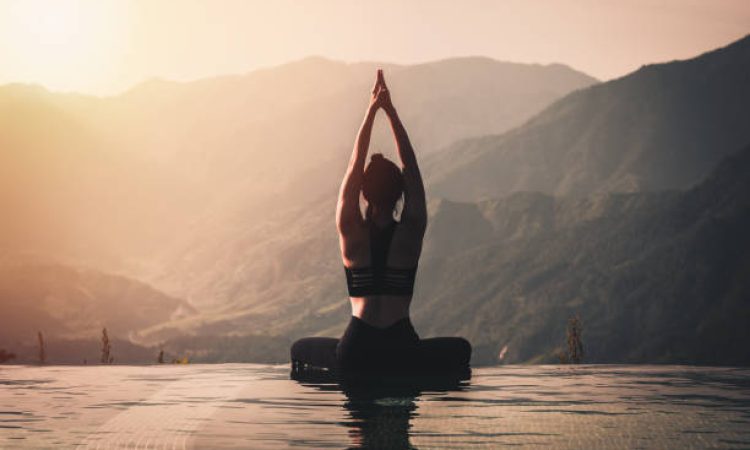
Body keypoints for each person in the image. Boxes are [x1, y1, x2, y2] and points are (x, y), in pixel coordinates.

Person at [291, 70, 471, 378]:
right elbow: (410, 167)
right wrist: (391, 112)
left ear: (363, 192)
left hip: (356, 349)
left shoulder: (350, 229)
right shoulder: (411, 229)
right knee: (461, 349)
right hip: (401, 349)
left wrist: (370, 111)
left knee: (300, 350)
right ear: (400, 191)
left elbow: (353, 166)